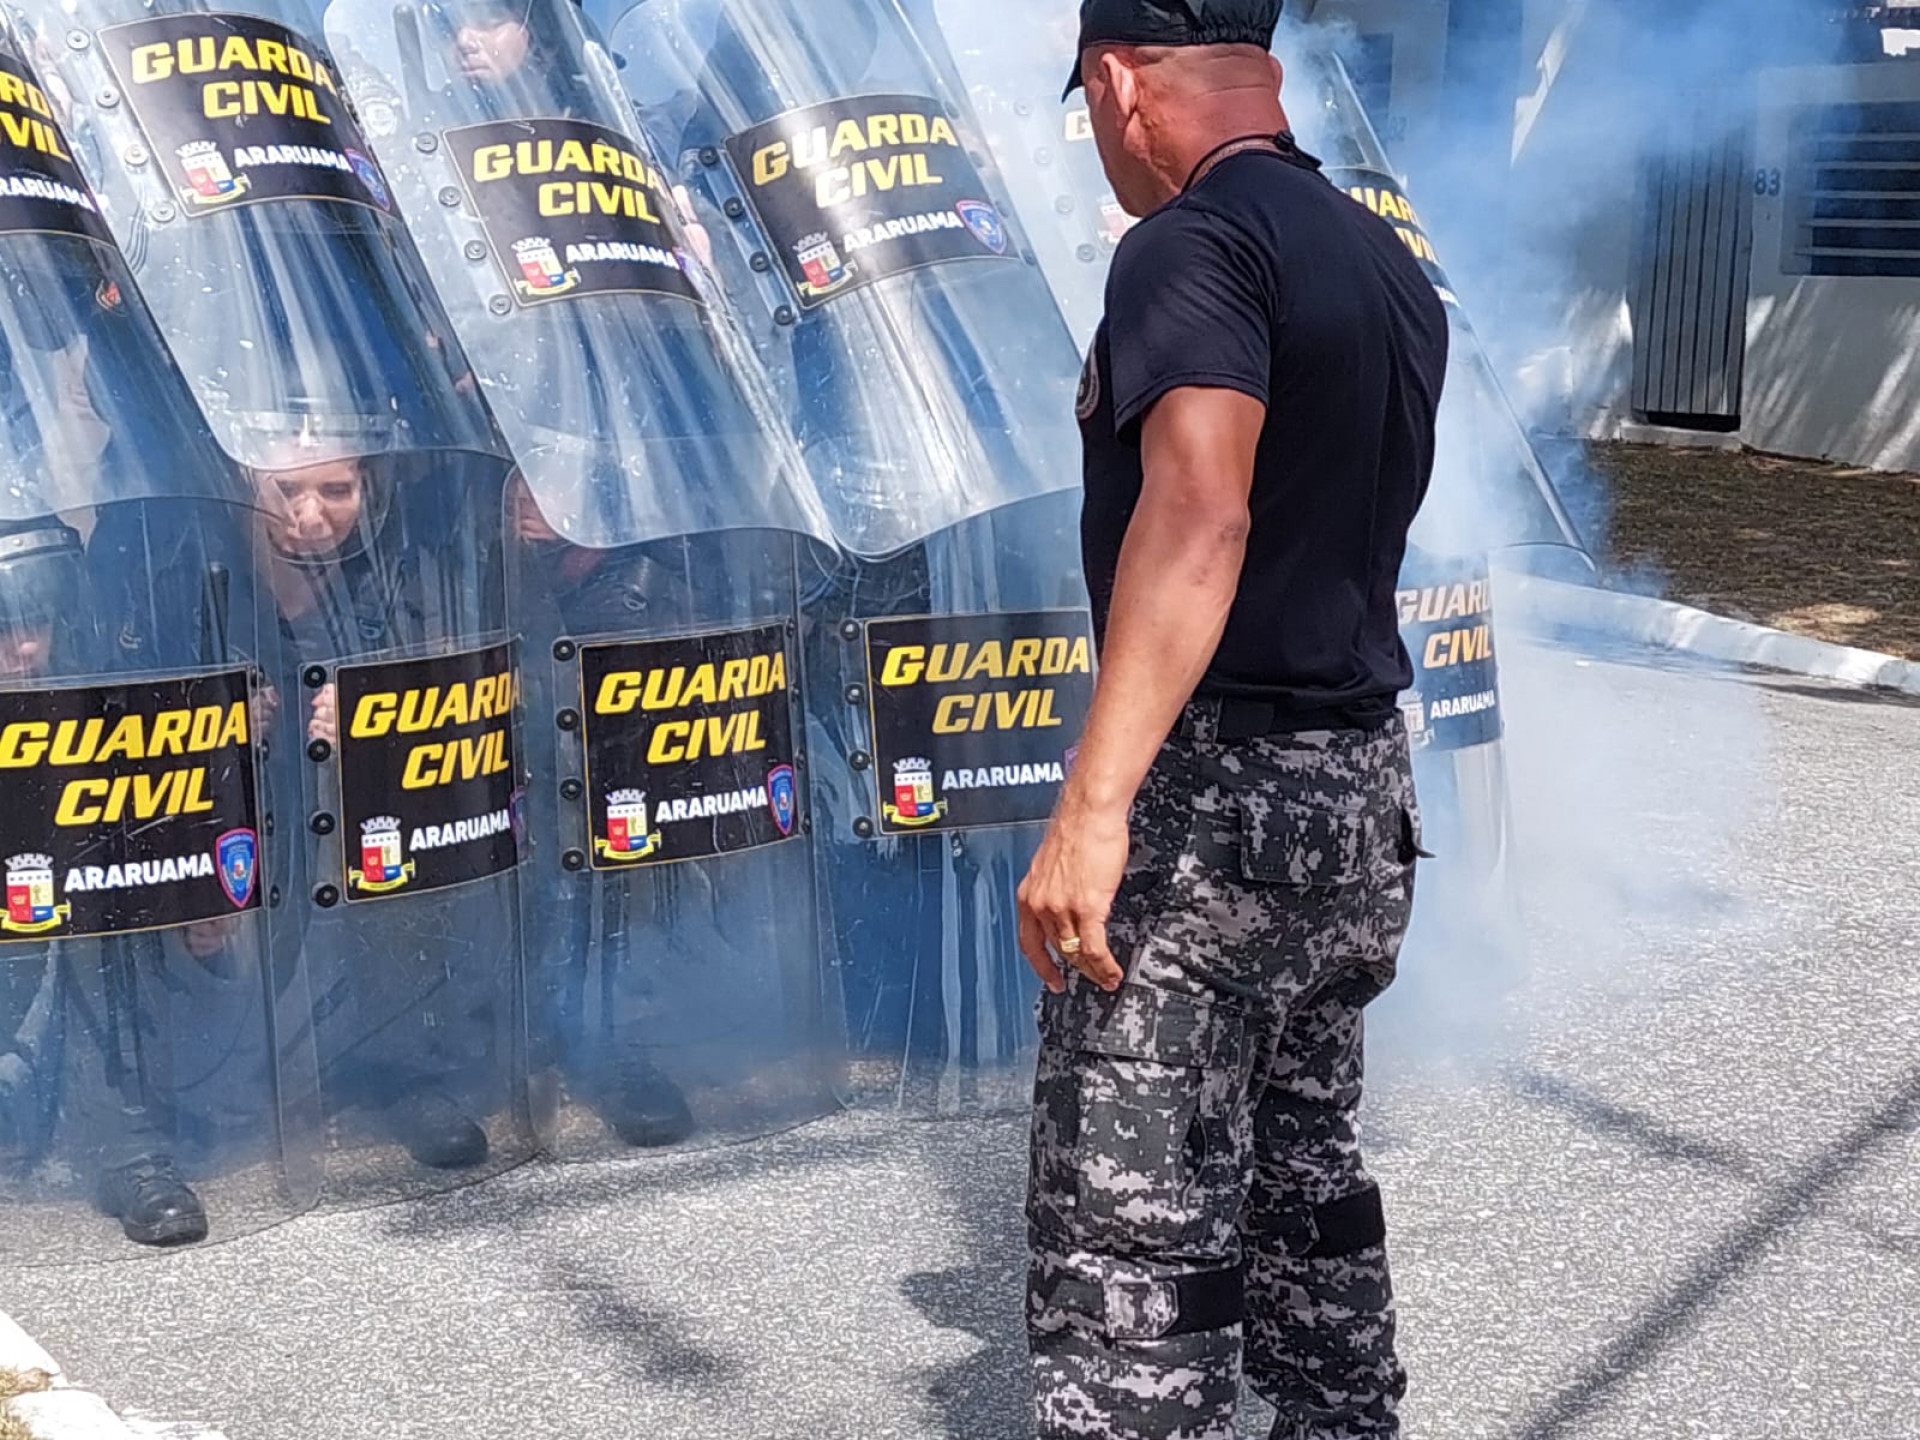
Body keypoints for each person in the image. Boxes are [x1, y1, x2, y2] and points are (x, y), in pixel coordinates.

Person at [1014, 3, 1449, 1437]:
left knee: (1133, 1216)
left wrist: (1093, 804)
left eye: (1087, 104)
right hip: (1356, 799)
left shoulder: (1188, 246)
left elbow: (1201, 512)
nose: (1097, 141)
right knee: (1301, 1178)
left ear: (1122, 81)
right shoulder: (1382, 258)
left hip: (1219, 812)